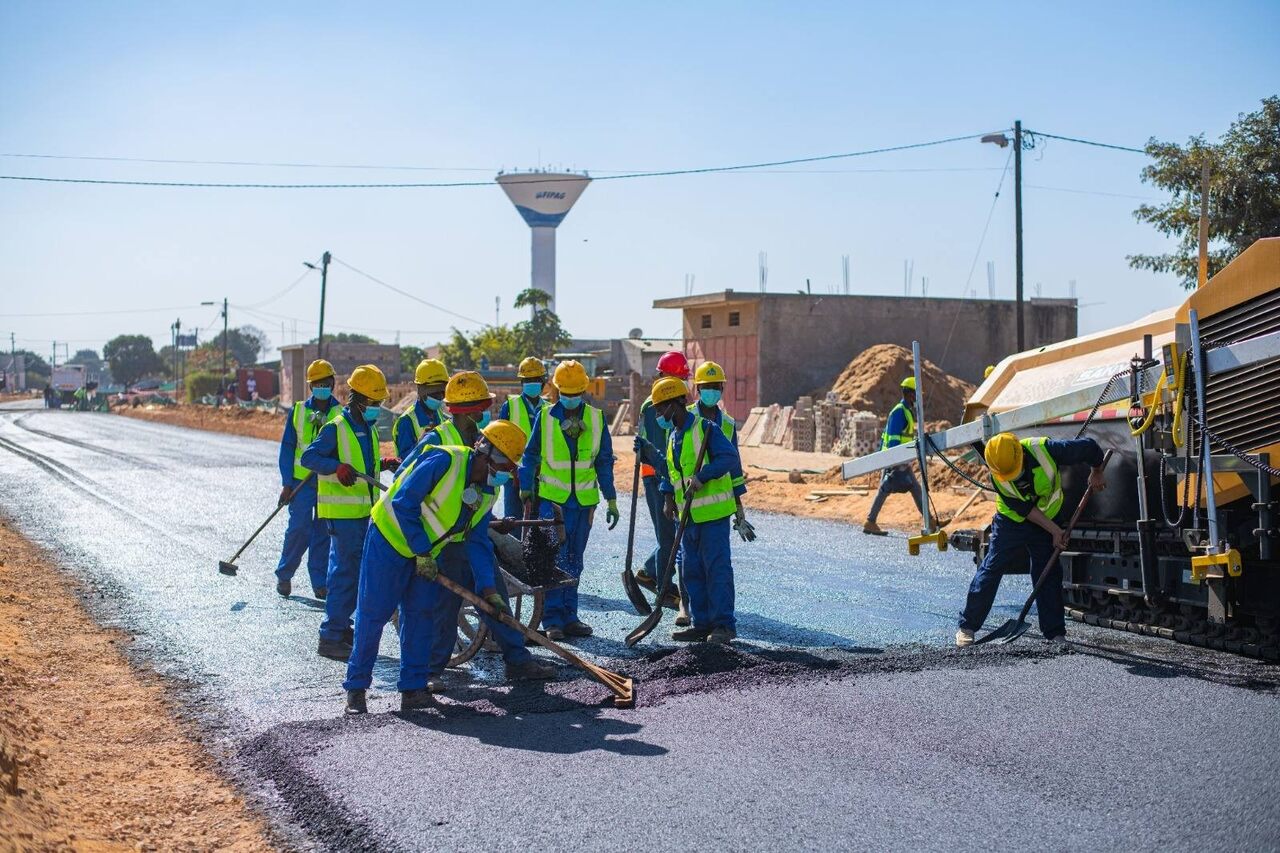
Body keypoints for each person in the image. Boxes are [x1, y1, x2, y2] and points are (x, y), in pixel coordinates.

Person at [343, 420, 549, 714]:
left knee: (421, 615)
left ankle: (413, 689)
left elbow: (476, 541)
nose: (506, 476)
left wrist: (489, 589)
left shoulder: (487, 492)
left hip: (427, 553)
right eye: (506, 468)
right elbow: (403, 504)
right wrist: (422, 552)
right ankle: (356, 689)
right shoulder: (444, 460)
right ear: (488, 455)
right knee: (373, 613)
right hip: (389, 541)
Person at [411, 371, 555, 690]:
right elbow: (408, 488)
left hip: (473, 536)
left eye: (484, 406)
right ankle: (431, 669)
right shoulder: (437, 440)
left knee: (494, 594)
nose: (483, 411)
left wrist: (490, 522)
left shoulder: (493, 439)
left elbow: (479, 503)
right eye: (479, 406)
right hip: (440, 541)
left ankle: (517, 660)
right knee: (444, 607)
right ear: (463, 409)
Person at [955, 432, 1106, 647]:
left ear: (1021, 454)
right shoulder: (996, 475)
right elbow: (1025, 509)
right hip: (1011, 521)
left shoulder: (1047, 450)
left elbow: (1090, 447)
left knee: (1048, 572)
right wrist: (1055, 530)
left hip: (1048, 515)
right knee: (992, 567)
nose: (1012, 476)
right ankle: (967, 626)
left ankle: (1055, 633)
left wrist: (1097, 471)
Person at [301, 364, 399, 661]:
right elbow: (309, 457)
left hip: (361, 511)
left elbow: (361, 466)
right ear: (357, 399)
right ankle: (330, 637)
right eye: (373, 403)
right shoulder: (337, 427)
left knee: (351, 573)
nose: (377, 408)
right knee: (345, 573)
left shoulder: (365, 429)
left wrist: (384, 463)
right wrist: (336, 467)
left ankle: (342, 627)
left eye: (379, 403)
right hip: (341, 514)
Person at [518, 359, 619, 640]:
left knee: (576, 558)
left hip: (584, 503)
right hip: (553, 503)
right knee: (553, 558)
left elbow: (604, 461)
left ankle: (570, 616)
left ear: (584, 390)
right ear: (557, 390)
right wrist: (526, 485)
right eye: (567, 393)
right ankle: (552, 619)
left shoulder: (597, 419)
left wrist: (610, 498)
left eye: (576, 394)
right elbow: (530, 455)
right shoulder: (546, 417)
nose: (571, 399)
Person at [652, 375, 744, 644]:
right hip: (687, 516)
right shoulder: (673, 436)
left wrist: (703, 476)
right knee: (692, 571)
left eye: (661, 407)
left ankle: (724, 625)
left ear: (677, 403)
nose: (659, 413)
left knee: (716, 570)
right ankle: (702, 624)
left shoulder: (707, 429)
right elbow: (672, 473)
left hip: (712, 515)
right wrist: (668, 497)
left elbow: (729, 458)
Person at [274, 359, 342, 599]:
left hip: (327, 482)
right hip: (301, 483)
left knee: (323, 533)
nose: (322, 386)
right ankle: (284, 574)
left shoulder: (340, 413)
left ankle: (320, 582)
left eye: (326, 382)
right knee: (299, 529)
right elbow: (288, 448)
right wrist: (286, 483)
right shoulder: (299, 410)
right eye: (317, 383)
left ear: (333, 383)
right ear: (310, 386)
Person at [632, 350, 689, 605]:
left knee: (672, 533)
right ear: (662, 376)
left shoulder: (674, 400)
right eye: (675, 377)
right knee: (667, 534)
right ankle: (664, 586)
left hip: (670, 476)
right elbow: (657, 451)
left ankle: (649, 572)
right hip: (657, 477)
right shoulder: (655, 406)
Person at [863, 377, 925, 536]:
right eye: (916, 394)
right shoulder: (899, 412)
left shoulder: (906, 411)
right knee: (888, 488)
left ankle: (929, 520)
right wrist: (894, 462)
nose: (917, 398)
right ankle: (870, 521)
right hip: (896, 459)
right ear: (909, 394)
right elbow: (893, 438)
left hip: (901, 458)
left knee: (915, 488)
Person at [497, 356, 547, 521]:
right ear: (521, 383)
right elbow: (500, 441)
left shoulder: (549, 409)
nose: (532, 383)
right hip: (514, 477)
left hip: (542, 477)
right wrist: (512, 469)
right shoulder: (510, 407)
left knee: (541, 523)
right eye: (528, 380)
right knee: (514, 521)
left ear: (543, 382)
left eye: (536, 379)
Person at [393, 358, 448, 458]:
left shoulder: (438, 413)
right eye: (435, 393)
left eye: (442, 392)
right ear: (421, 390)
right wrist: (421, 443)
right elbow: (404, 462)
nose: (440, 397)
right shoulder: (406, 421)